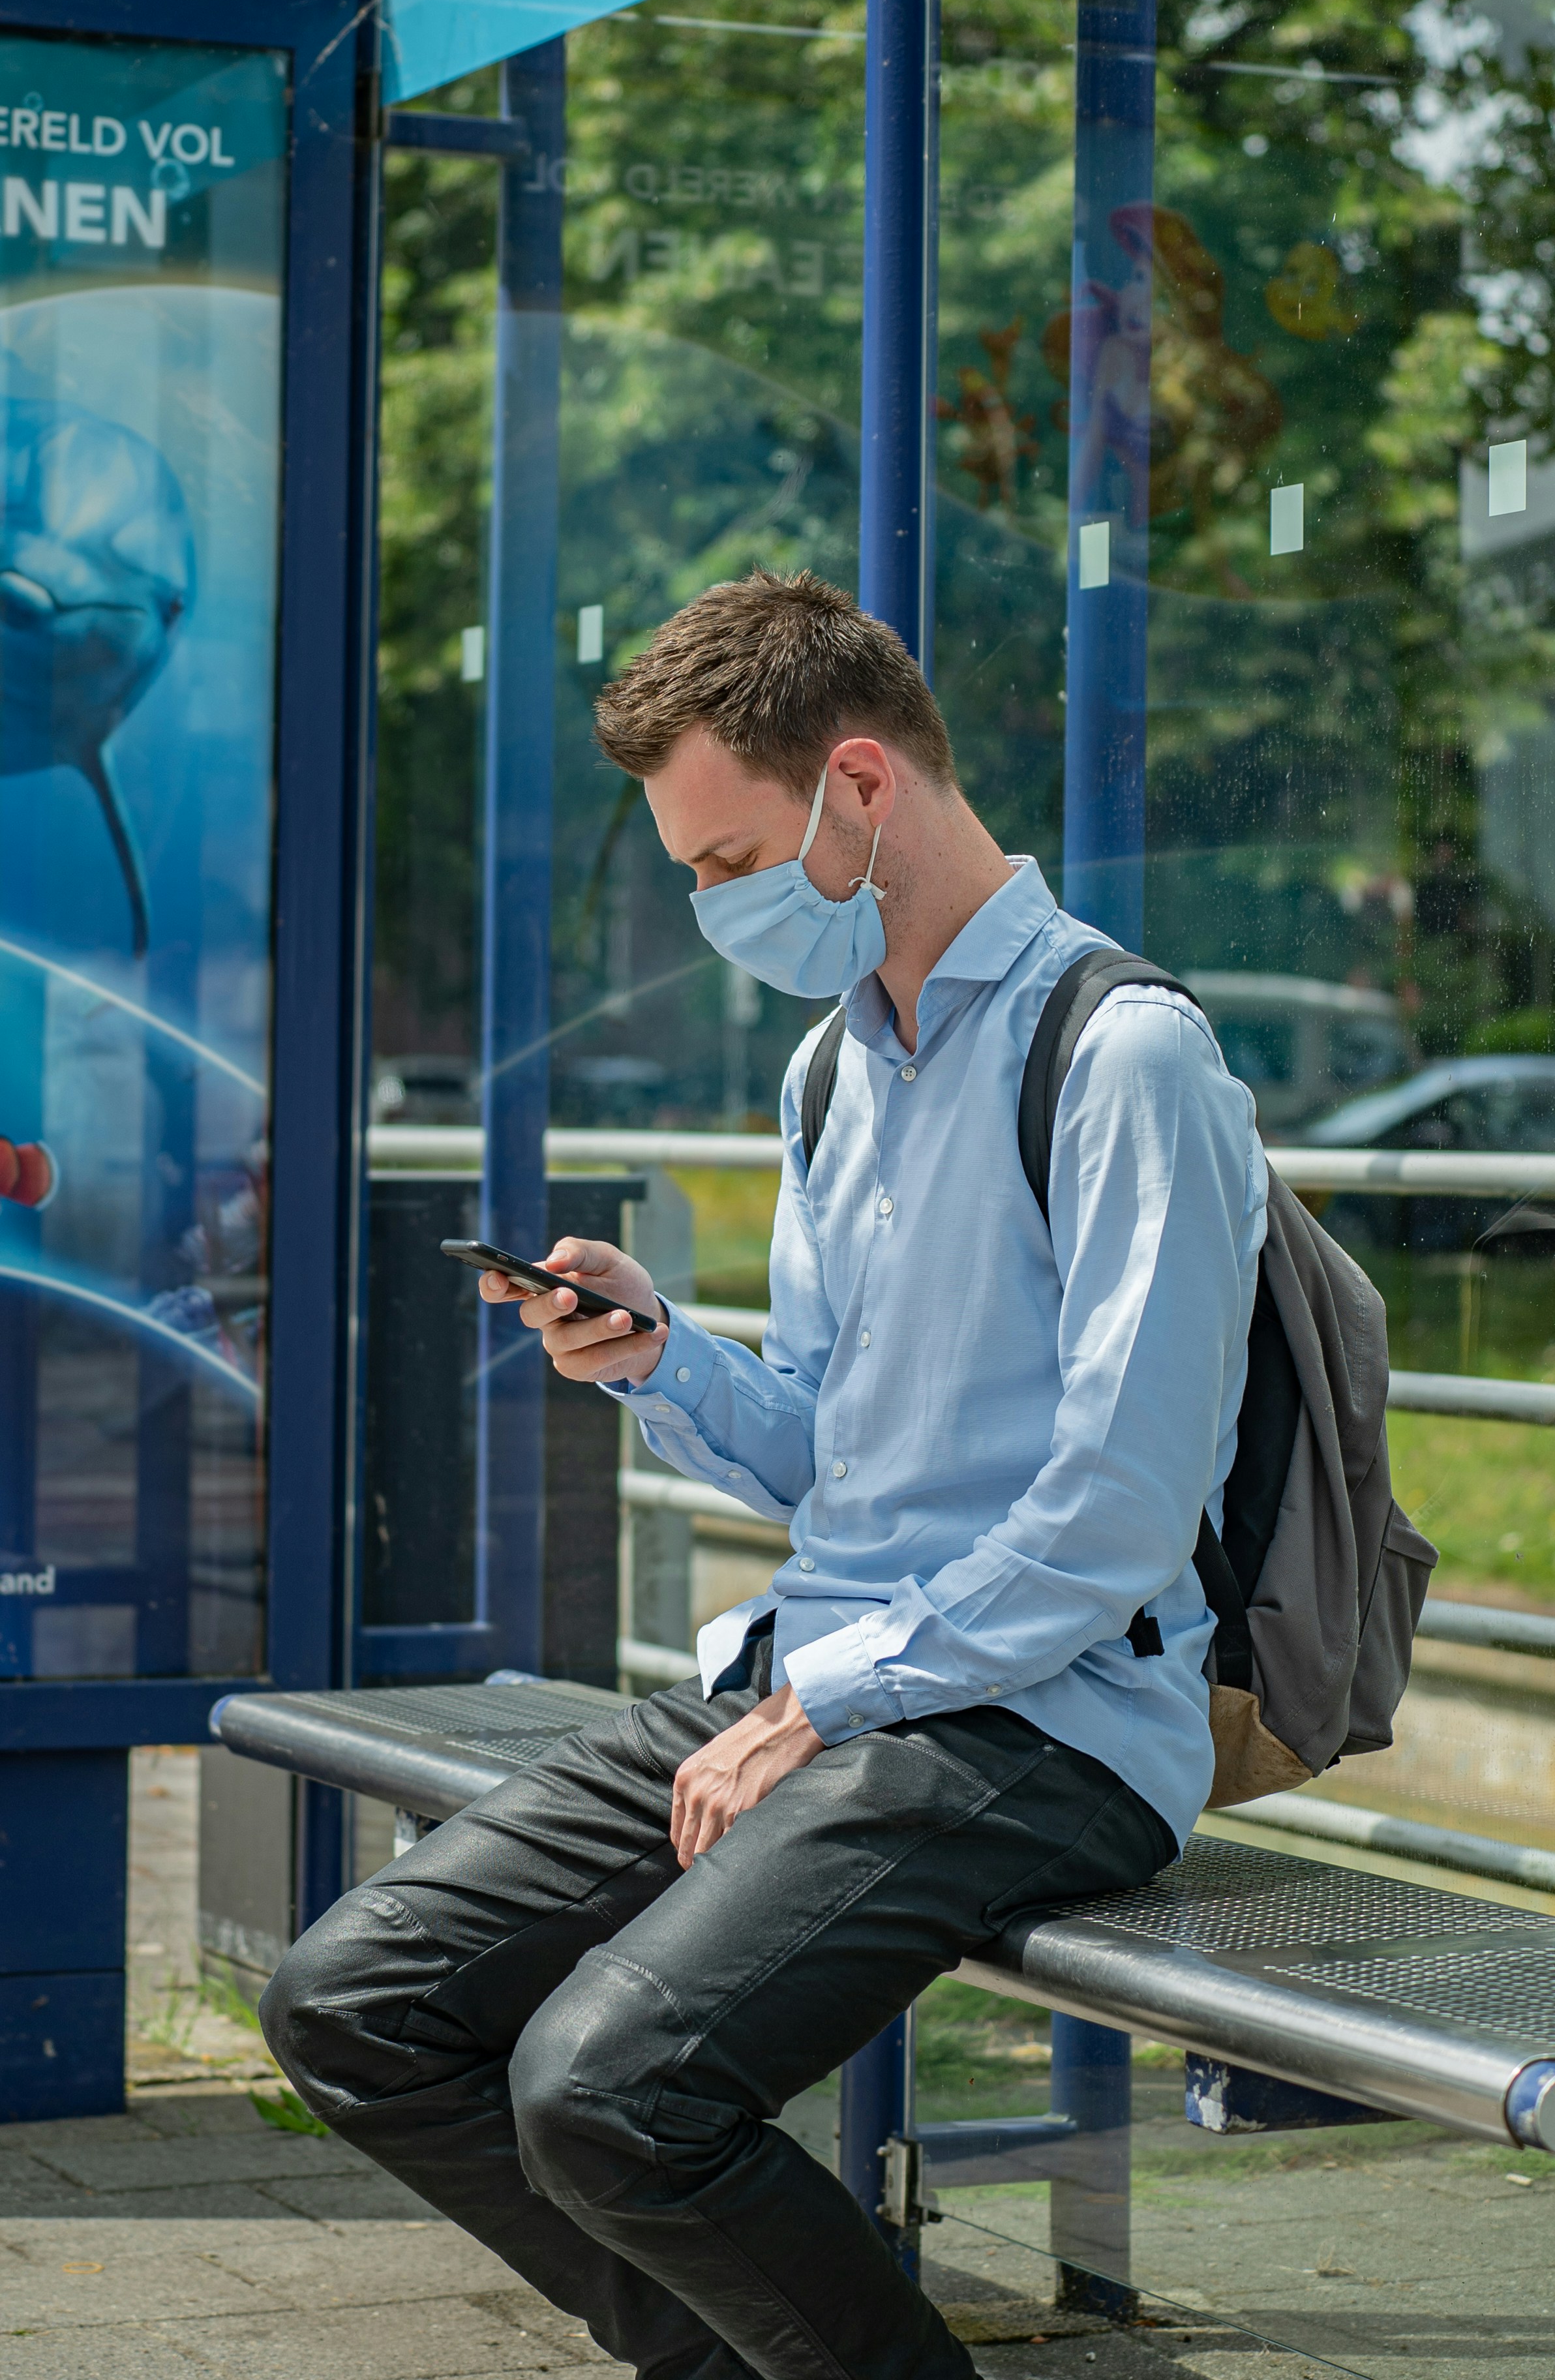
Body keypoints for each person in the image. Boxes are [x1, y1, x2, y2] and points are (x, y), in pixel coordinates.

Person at [262, 569, 1265, 2380]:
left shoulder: (1126, 1058)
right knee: (357, 2004)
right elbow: (843, 1449)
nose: (708, 906)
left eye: (724, 862)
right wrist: (667, 1356)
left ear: (862, 787)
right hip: (830, 1674)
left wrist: (819, 1700)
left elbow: (1121, 1510)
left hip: (1049, 1720)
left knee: (609, 2091)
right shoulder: (832, 1074)